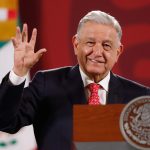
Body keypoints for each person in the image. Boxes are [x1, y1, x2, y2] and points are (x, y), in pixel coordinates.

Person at [0, 10, 150, 150]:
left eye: (106, 45)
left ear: (118, 52)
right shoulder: (46, 84)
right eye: (90, 43)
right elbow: (5, 122)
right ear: (76, 45)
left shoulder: (140, 97)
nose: (97, 52)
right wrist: (18, 73)